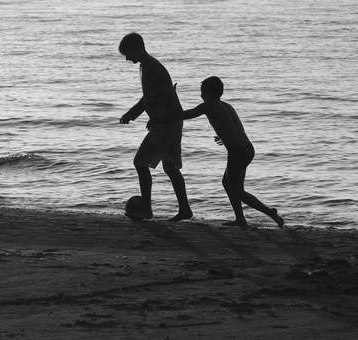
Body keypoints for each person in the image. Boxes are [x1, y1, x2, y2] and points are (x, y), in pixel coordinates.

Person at [179, 76, 283, 228]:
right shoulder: (226, 105)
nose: (200, 95)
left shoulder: (208, 106)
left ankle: (270, 213)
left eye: (202, 92)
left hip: (238, 152)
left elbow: (183, 115)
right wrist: (224, 137)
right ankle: (240, 218)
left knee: (238, 190)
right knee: (228, 183)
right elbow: (235, 127)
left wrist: (170, 99)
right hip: (246, 148)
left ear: (208, 92)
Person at [118, 32, 192, 221]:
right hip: (169, 121)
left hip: (167, 123)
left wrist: (157, 118)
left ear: (138, 48)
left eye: (128, 54)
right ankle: (185, 209)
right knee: (170, 166)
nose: (127, 59)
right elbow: (149, 98)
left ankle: (146, 209)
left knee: (140, 163)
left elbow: (166, 95)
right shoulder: (146, 66)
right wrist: (132, 114)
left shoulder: (152, 68)